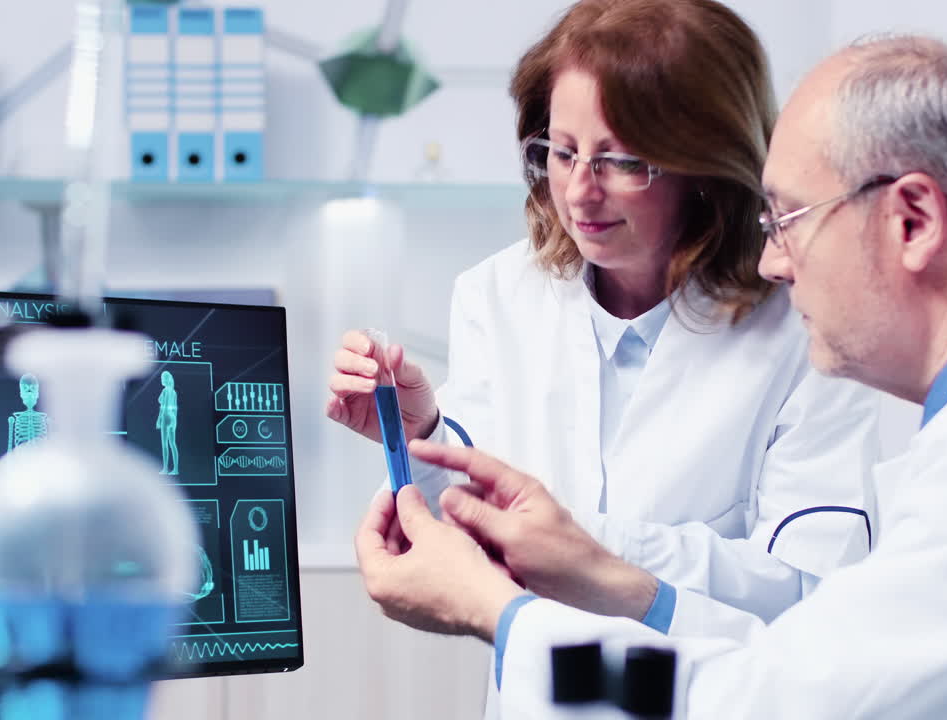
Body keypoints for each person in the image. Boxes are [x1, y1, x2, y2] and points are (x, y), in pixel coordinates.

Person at [355, 33, 947, 719]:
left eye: (789, 218)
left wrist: (495, 613)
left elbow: (774, 700)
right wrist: (602, 577)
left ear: (912, 217)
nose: (770, 262)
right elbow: (801, 665)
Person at [331, 0, 879, 649]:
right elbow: (466, 533)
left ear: (705, 164)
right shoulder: (497, 297)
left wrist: (587, 548)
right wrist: (420, 431)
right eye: (562, 153)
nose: (580, 192)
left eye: (621, 161)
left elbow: (815, 592)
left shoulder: (808, 331)